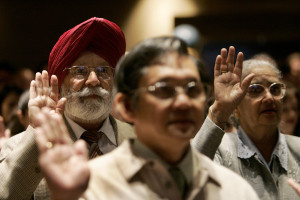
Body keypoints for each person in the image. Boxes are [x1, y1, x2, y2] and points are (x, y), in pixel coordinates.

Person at [34, 36, 259, 200]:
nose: (183, 102)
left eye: (192, 89)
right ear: (128, 106)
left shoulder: (235, 189)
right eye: (164, 90)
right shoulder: (91, 185)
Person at [0, 17, 135, 200]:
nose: (94, 80)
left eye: (103, 71)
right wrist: (39, 134)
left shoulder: (141, 140)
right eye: (80, 71)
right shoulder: (21, 147)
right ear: (60, 83)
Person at [192, 50, 300, 199]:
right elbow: (188, 174)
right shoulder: (220, 149)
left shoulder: (298, 148)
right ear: (236, 107)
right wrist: (221, 109)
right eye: (255, 89)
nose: (269, 97)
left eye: (275, 89)